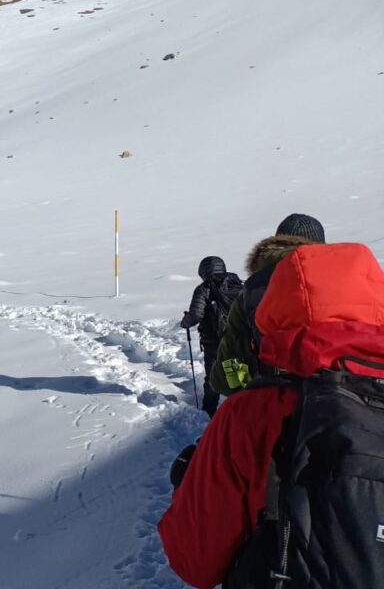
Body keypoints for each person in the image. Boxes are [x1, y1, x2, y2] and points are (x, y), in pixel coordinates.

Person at [158, 242, 384, 589]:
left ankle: (205, 404)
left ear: (273, 309)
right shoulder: (234, 282)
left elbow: (194, 561)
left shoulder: (252, 414)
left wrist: (185, 486)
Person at [211, 213, 326, 396]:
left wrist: (246, 390)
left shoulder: (251, 291)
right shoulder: (350, 282)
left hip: (274, 405)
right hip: (347, 405)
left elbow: (228, 373)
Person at [179, 256, 242, 417]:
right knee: (237, 373)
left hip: (213, 341)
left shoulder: (204, 288)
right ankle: (241, 408)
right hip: (237, 338)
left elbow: (196, 315)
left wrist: (185, 322)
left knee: (214, 374)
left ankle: (209, 411)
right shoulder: (238, 284)